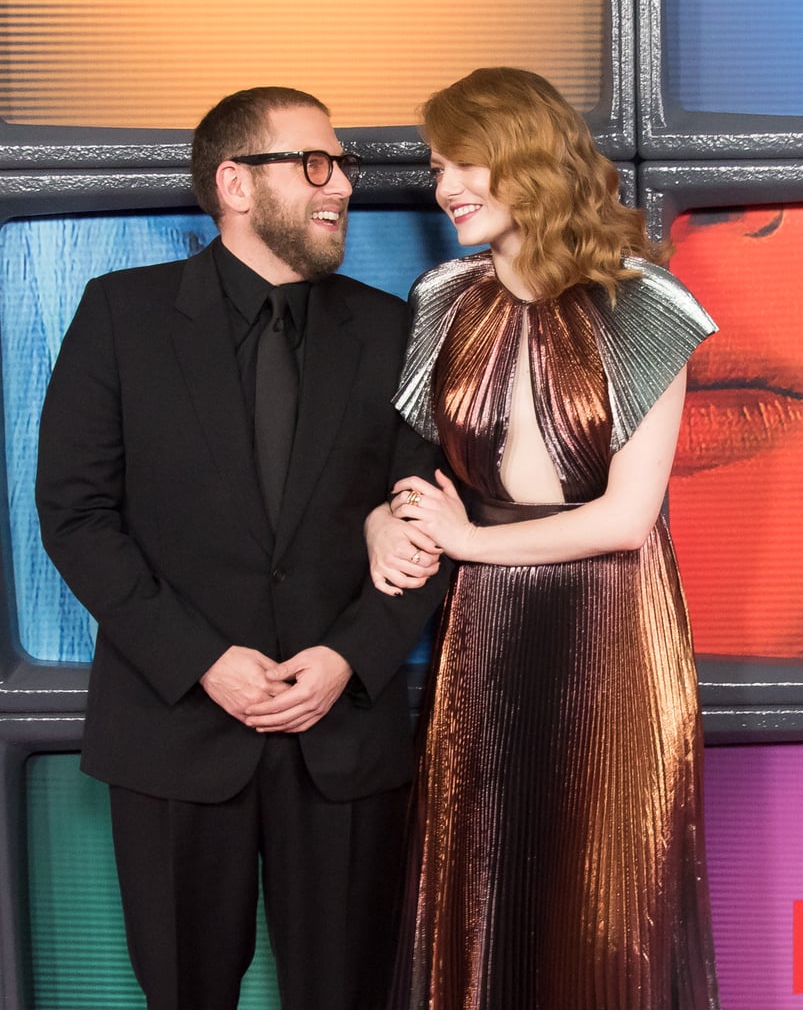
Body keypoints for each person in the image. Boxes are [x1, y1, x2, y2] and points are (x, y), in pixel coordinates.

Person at [35, 86, 450, 1010]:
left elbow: (430, 518)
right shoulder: (120, 315)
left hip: (341, 739)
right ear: (233, 182)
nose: (340, 183)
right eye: (314, 164)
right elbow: (74, 513)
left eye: (340, 164)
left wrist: (349, 657)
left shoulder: (393, 329)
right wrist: (202, 661)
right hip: (173, 730)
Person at [366, 68, 722, 1009]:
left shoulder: (643, 303)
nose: (445, 188)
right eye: (439, 167)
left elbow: (624, 518)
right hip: (485, 632)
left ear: (529, 156)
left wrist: (464, 543)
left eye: (465, 161)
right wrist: (386, 522)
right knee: (481, 880)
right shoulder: (443, 296)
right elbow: (403, 469)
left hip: (608, 626)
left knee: (604, 900)